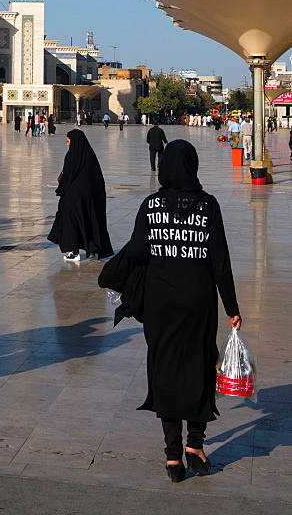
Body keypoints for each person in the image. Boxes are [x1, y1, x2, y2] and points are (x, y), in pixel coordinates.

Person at [125, 139, 241, 481]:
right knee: (199, 367)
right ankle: (195, 445)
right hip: (198, 302)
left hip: (161, 305)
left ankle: (173, 457)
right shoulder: (208, 206)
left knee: (166, 371)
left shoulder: (151, 205)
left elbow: (136, 251)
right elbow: (219, 260)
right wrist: (231, 306)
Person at [48, 130, 113, 262]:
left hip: (73, 197)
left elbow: (67, 176)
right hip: (89, 197)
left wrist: (60, 188)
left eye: (68, 142)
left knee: (71, 221)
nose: (67, 145)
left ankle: (74, 251)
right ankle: (90, 250)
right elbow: (97, 179)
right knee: (88, 220)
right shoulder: (90, 156)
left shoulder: (72, 156)